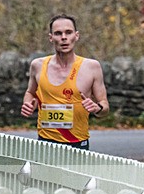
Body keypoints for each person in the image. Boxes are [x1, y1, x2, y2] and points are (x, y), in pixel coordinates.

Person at [21, 14, 109, 149]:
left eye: (68, 32)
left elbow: (104, 106)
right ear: (51, 38)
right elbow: (30, 93)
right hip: (45, 142)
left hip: (77, 143)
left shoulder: (91, 67)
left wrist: (97, 108)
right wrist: (28, 104)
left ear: (76, 36)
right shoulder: (37, 65)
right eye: (58, 33)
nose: (63, 37)